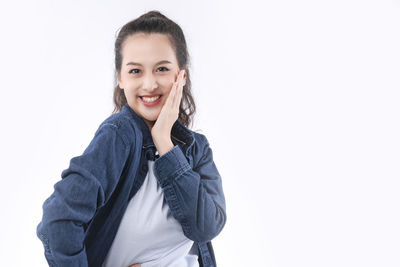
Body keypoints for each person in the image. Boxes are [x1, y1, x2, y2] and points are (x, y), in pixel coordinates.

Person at [36, 10, 227, 267]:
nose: (149, 84)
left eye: (161, 69)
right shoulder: (118, 136)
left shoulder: (196, 149)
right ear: (121, 78)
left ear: (181, 76)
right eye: (136, 71)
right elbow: (58, 220)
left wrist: (165, 144)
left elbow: (206, 227)